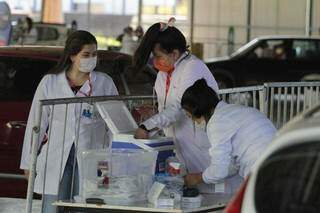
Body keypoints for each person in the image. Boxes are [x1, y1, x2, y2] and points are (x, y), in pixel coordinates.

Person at [20, 30, 118, 213]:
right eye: (86, 55)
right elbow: (36, 123)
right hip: (57, 156)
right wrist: (28, 163)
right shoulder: (50, 82)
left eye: (95, 54)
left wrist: (113, 159)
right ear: (72, 56)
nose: (92, 59)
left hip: (93, 155)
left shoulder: (104, 83)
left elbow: (114, 126)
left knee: (84, 206)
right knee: (52, 206)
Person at [133, 19, 219, 193]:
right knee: (188, 194)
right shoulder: (164, 73)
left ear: (174, 53)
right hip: (179, 145)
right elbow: (167, 108)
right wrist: (154, 112)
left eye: (158, 56)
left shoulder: (192, 67)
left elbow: (179, 107)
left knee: (211, 192)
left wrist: (147, 126)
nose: (155, 61)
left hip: (200, 145)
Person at [181, 79, 276, 193]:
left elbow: (219, 171)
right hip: (280, 163)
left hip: (262, 173)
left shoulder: (217, 122)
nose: (194, 122)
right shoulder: (233, 111)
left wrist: (197, 178)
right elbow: (231, 166)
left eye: (191, 117)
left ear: (199, 110)